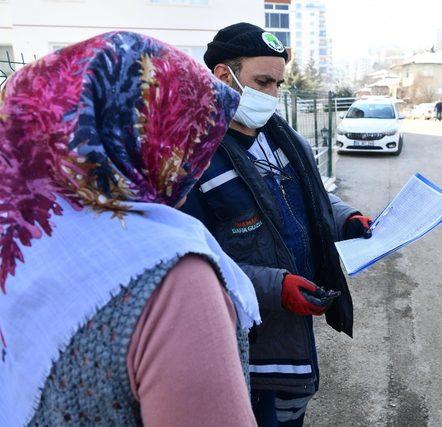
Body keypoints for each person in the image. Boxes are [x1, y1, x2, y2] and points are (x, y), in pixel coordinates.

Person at [0, 31, 260, 426]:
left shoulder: (19, 233)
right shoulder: (173, 278)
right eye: (187, 138)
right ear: (138, 136)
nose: (200, 165)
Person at [181, 23, 373, 426]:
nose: (271, 95)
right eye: (262, 82)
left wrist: (348, 219)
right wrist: (275, 287)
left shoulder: (283, 138)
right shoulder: (193, 157)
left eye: (278, 84)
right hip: (247, 343)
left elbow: (314, 199)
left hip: (293, 329)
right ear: (223, 76)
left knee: (290, 416)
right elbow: (192, 264)